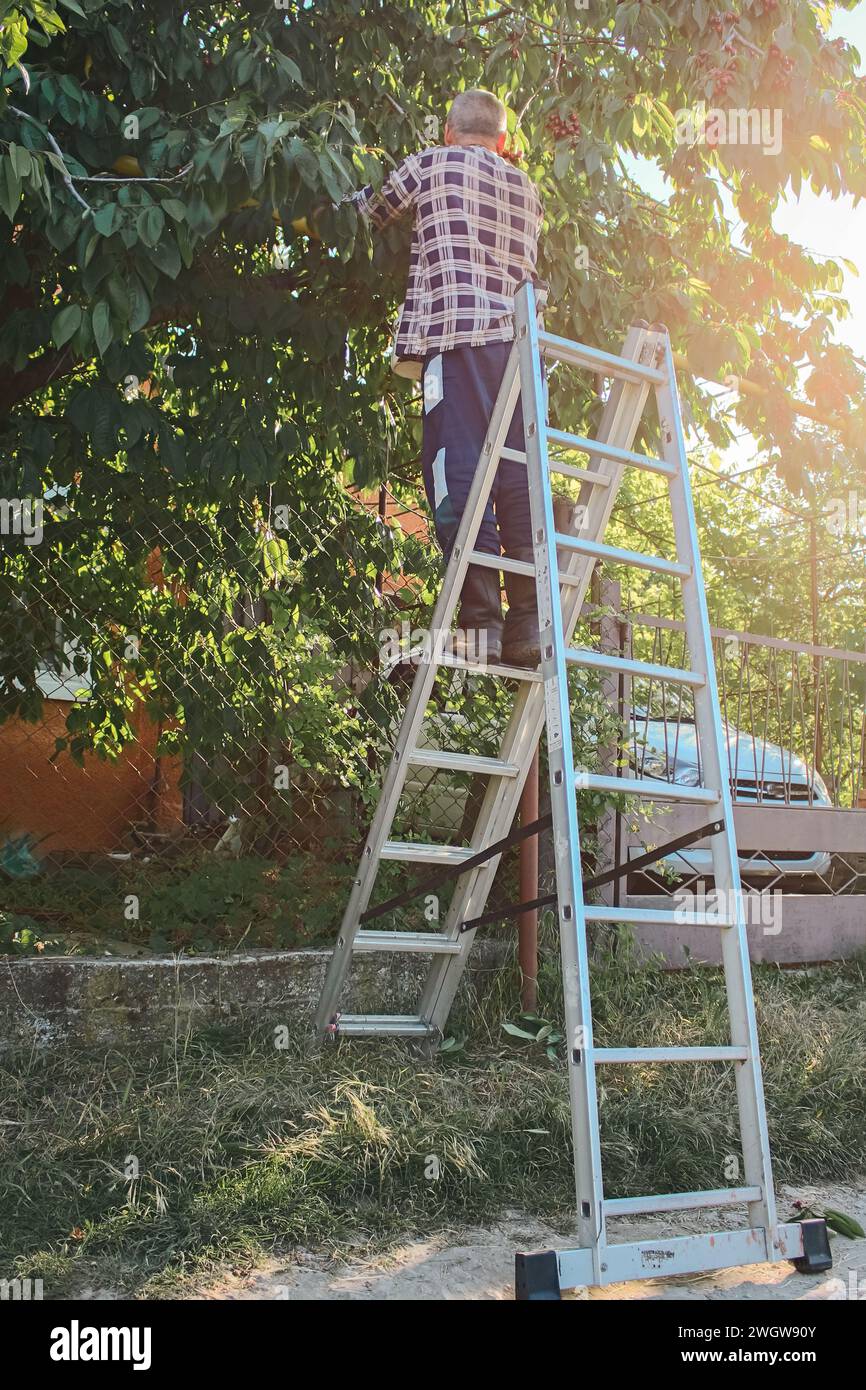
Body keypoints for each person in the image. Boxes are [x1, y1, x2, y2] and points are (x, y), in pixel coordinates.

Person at [347, 89, 545, 667]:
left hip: (455, 344)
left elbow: (370, 210)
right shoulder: (527, 190)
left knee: (455, 469)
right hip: (517, 351)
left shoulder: (433, 164)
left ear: (449, 133)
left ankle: (480, 623)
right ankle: (527, 624)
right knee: (515, 475)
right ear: (504, 142)